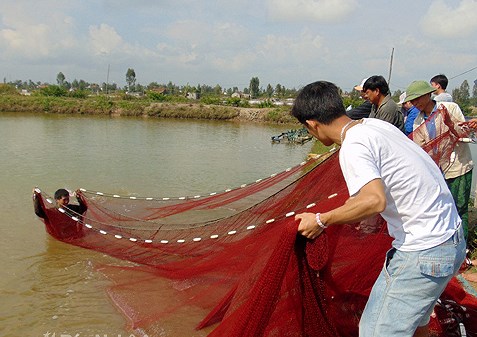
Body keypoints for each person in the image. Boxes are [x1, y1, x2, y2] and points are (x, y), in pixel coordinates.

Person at [291, 80, 465, 337]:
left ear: (312, 125)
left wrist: (320, 220)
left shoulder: (352, 146)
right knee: (416, 325)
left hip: (424, 252)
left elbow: (374, 200)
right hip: (451, 239)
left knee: (375, 331)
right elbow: (389, 184)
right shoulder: (374, 126)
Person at [403, 80, 473, 241]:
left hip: (458, 166)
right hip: (437, 171)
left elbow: (465, 133)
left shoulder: (449, 108)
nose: (416, 103)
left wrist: (450, 123)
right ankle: (448, 244)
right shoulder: (418, 121)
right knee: (444, 209)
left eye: (418, 98)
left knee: (459, 207)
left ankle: (463, 247)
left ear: (428, 95)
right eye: (413, 101)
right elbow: (418, 147)